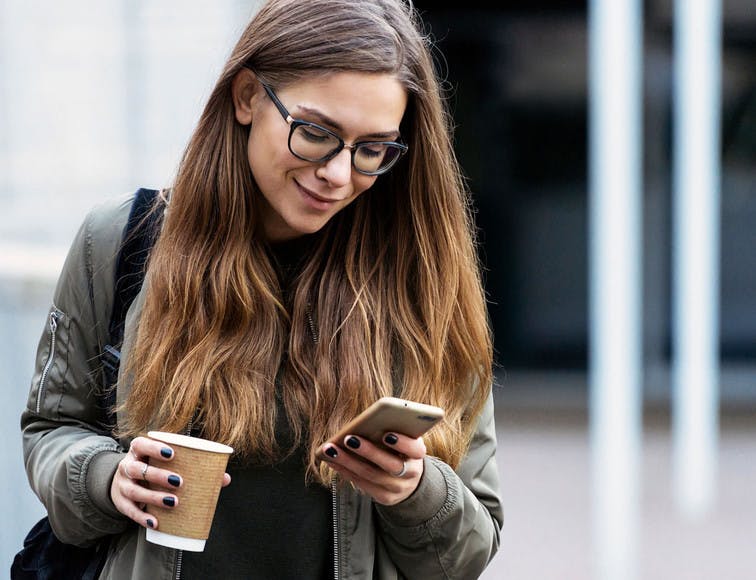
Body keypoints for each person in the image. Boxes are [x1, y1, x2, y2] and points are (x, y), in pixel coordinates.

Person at [20, 0, 503, 578]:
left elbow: (470, 549)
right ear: (247, 96)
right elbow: (51, 428)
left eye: (373, 150)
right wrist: (108, 477)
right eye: (316, 133)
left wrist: (416, 489)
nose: (340, 174)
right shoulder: (120, 240)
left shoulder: (424, 277)